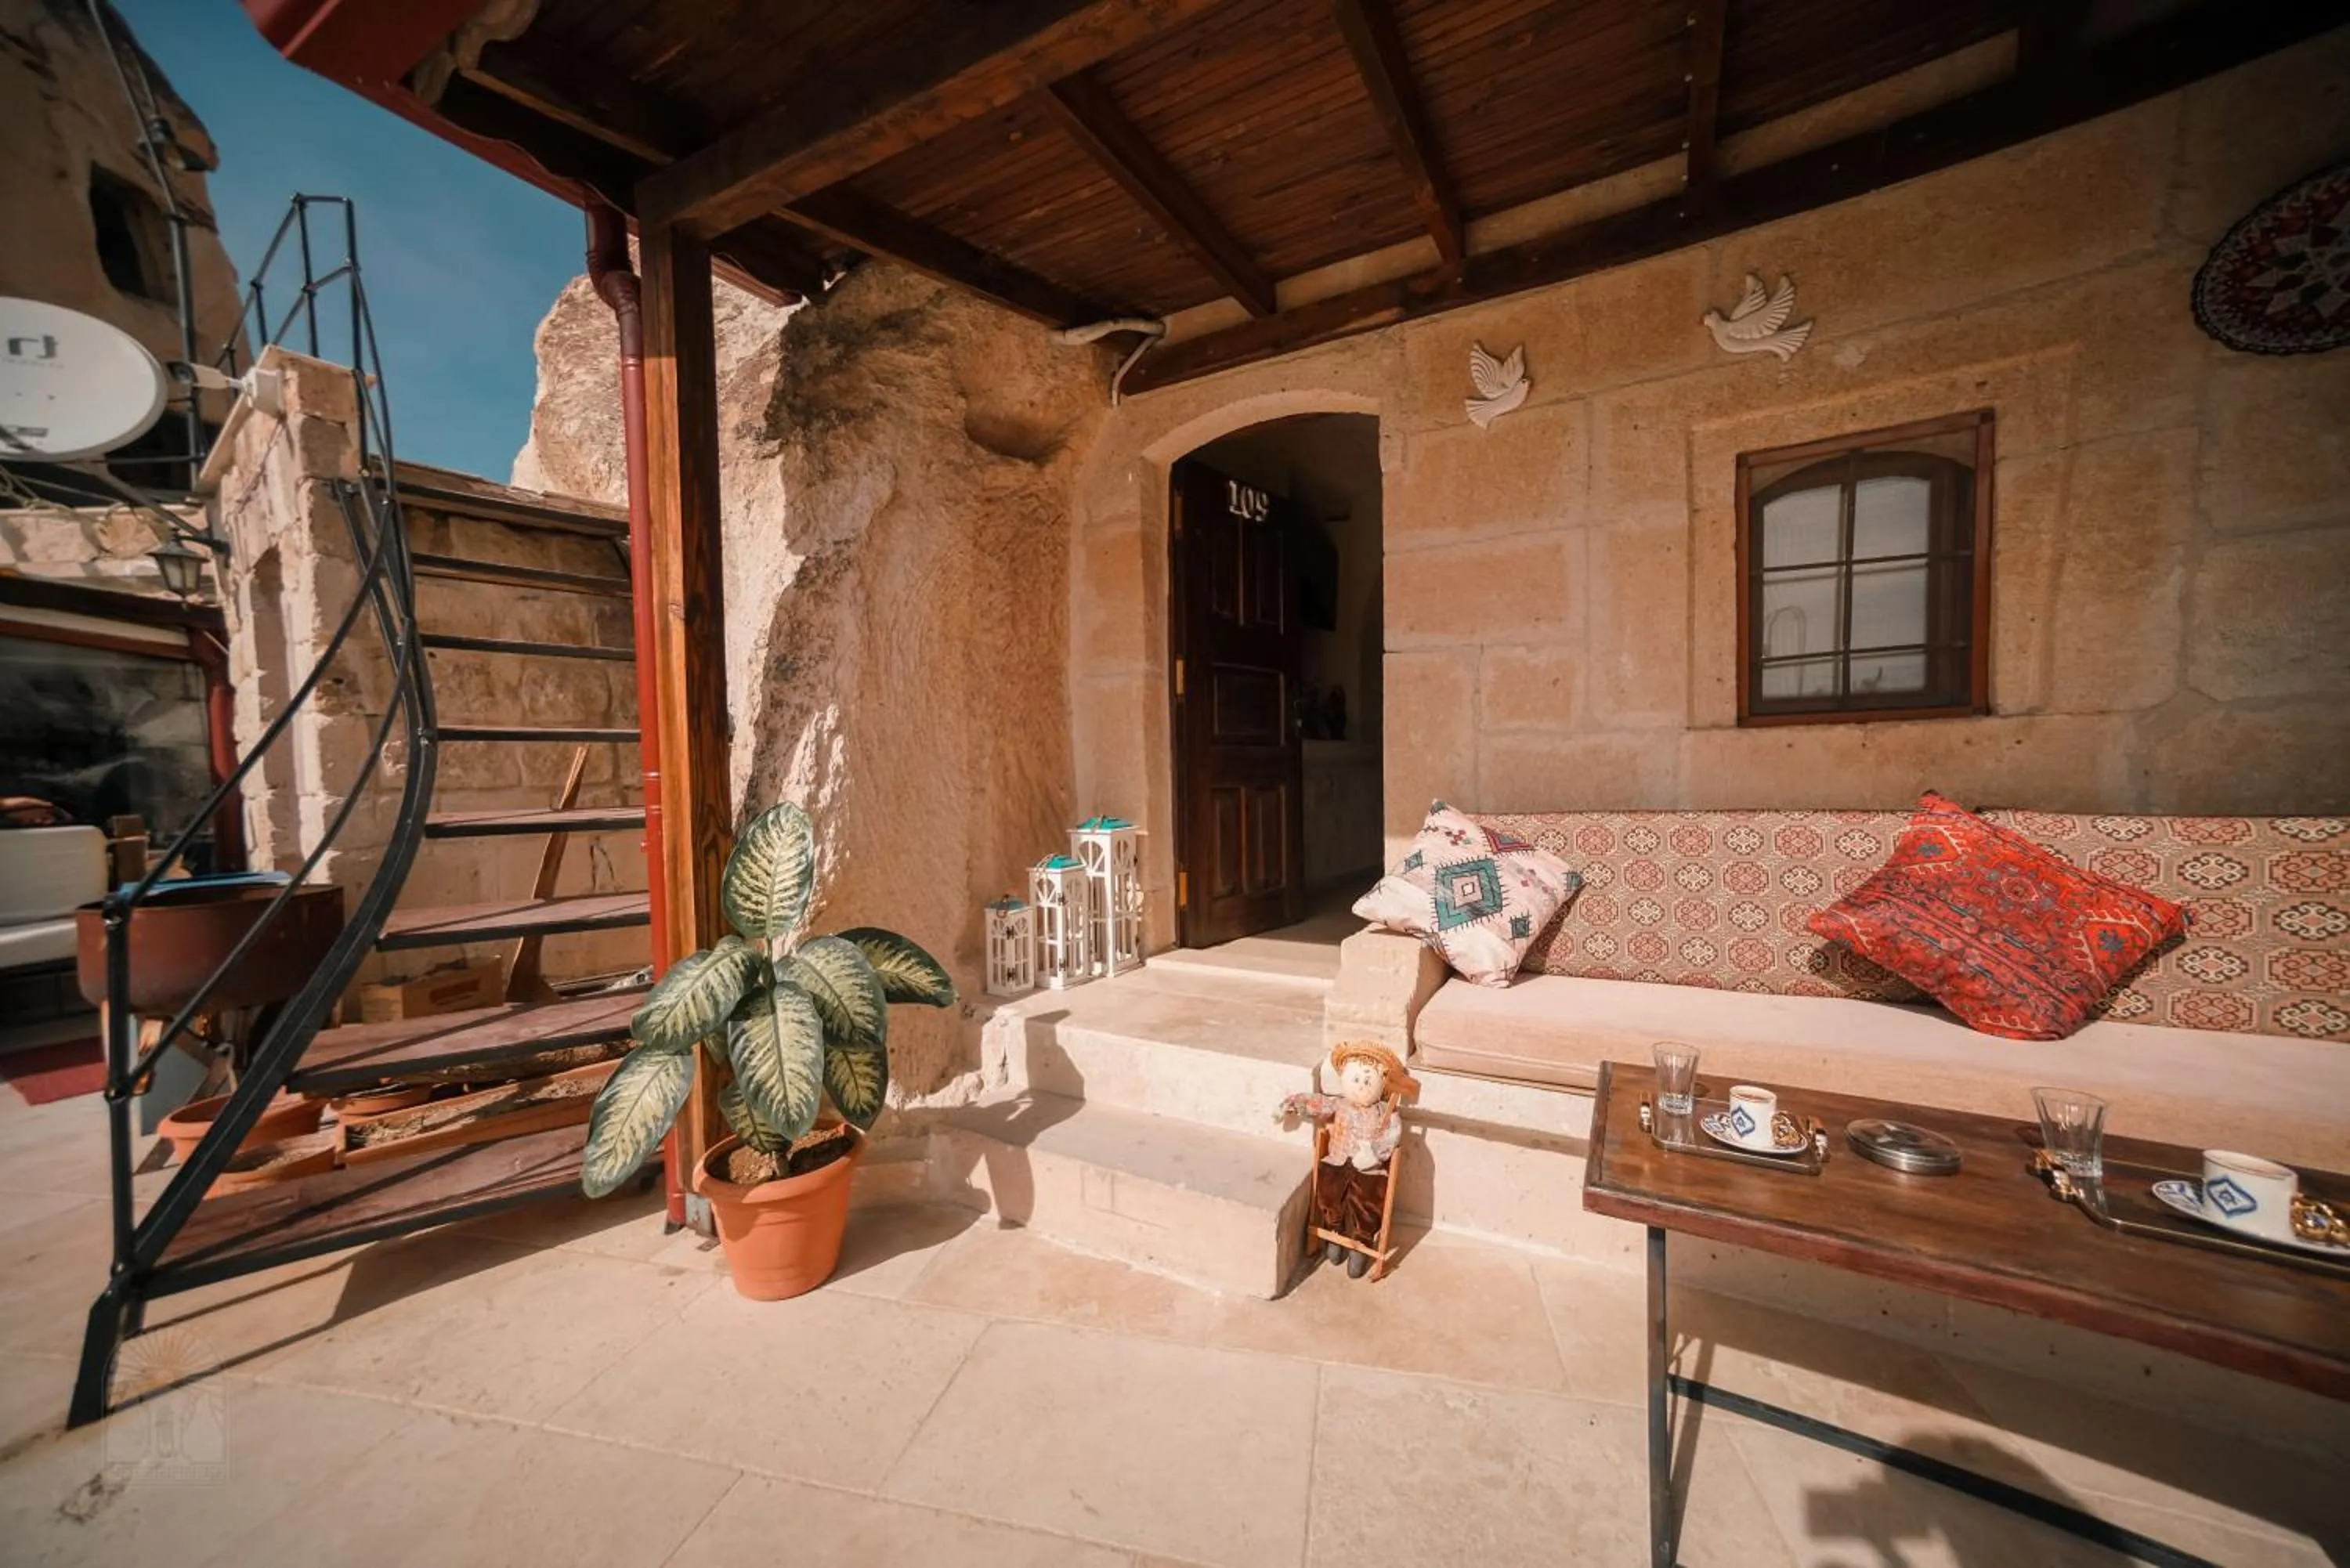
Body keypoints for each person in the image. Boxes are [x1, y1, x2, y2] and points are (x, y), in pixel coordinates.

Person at [1278, 1041, 1417, 1278]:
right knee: (1328, 1194)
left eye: (1368, 1081)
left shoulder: (1385, 1114)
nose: (1361, 1086)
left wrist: (1374, 1154)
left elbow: (1392, 1136)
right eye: (1355, 1079)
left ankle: (1361, 1243)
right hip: (1337, 1161)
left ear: (1381, 1085)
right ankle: (1335, 1231)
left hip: (1368, 1170)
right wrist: (1293, 1103)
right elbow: (1319, 1103)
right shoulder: (1340, 1104)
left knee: (1367, 1203)